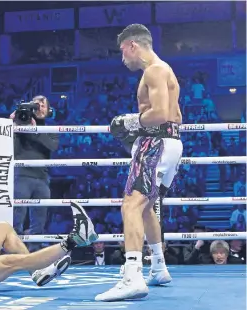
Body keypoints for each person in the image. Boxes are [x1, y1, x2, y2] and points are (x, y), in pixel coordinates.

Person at [95, 24, 183, 302]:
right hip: (169, 143)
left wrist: (130, 121)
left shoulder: (154, 70)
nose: (122, 58)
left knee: (130, 204)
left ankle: (132, 275)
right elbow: (176, 115)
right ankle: (158, 267)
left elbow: (159, 114)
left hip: (155, 142)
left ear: (133, 45)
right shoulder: (165, 69)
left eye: (123, 51)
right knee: (146, 208)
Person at [10, 95, 71, 283]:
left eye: (42, 104)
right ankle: (14, 259)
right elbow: (9, 142)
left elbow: (52, 145)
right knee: (17, 220)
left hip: (42, 178)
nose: (39, 106)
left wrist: (34, 128)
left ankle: (35, 261)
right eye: (36, 103)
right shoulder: (21, 120)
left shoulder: (51, 128)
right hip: (22, 175)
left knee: (39, 223)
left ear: (47, 109)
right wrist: (13, 122)